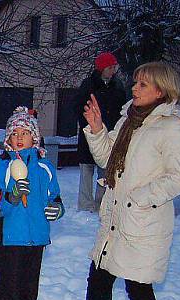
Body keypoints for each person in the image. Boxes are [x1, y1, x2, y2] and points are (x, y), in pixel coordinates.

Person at [71, 61, 180, 300]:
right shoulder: (130, 116)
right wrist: (98, 129)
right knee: (99, 274)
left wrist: (142, 197)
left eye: (142, 84)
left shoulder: (171, 126)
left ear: (160, 91)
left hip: (144, 218)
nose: (134, 89)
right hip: (115, 215)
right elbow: (107, 156)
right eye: (135, 82)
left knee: (138, 284)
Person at [0, 107, 63, 300]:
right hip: (10, 238)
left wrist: (56, 209)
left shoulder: (44, 167)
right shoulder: (1, 166)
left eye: (25, 133)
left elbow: (55, 196)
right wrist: (12, 197)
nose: (19, 137)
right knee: (9, 290)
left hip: (36, 238)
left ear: (35, 138)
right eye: (14, 133)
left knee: (29, 291)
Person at [76, 52, 127, 212]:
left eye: (114, 67)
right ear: (102, 68)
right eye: (110, 67)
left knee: (105, 171)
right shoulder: (88, 85)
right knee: (86, 171)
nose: (113, 70)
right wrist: (90, 124)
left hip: (109, 135)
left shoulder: (118, 86)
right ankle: (85, 205)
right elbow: (78, 107)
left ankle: (100, 204)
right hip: (88, 135)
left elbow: (122, 110)